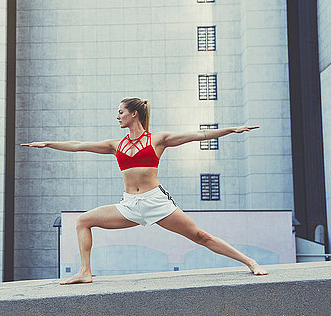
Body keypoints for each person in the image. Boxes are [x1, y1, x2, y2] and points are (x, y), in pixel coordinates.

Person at [22, 97, 268, 285]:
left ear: (134, 114)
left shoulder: (158, 139)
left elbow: (199, 134)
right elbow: (78, 145)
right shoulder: (115, 145)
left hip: (156, 202)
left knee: (201, 237)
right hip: (129, 205)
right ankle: (85, 272)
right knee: (83, 221)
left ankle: (250, 262)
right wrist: (48, 144)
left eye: (121, 112)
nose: (117, 117)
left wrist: (231, 130)